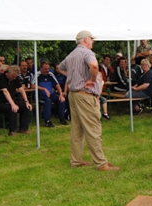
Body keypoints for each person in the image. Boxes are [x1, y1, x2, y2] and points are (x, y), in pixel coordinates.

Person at [59, 30, 119, 171]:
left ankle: (76, 160)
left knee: (77, 130)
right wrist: (92, 79)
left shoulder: (71, 55)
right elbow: (94, 65)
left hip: (74, 95)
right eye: (91, 39)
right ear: (85, 40)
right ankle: (101, 163)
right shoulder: (87, 53)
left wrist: (73, 77)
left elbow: (60, 68)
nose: (92, 42)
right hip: (85, 95)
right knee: (93, 129)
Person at [0, 65, 33, 136]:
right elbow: (5, 92)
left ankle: (23, 128)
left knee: (26, 108)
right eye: (13, 76)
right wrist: (13, 104)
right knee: (12, 109)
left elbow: (21, 89)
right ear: (8, 73)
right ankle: (12, 131)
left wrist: (27, 102)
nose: (14, 78)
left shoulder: (15, 78)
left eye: (15, 77)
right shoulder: (0, 78)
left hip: (10, 100)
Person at [37, 62, 68, 127]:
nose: (47, 70)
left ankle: (62, 118)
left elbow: (57, 84)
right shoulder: (37, 74)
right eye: (45, 69)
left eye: (48, 69)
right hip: (41, 95)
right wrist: (44, 89)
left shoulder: (51, 74)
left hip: (51, 94)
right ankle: (47, 121)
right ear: (41, 69)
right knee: (48, 101)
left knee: (61, 99)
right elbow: (32, 85)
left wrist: (61, 94)